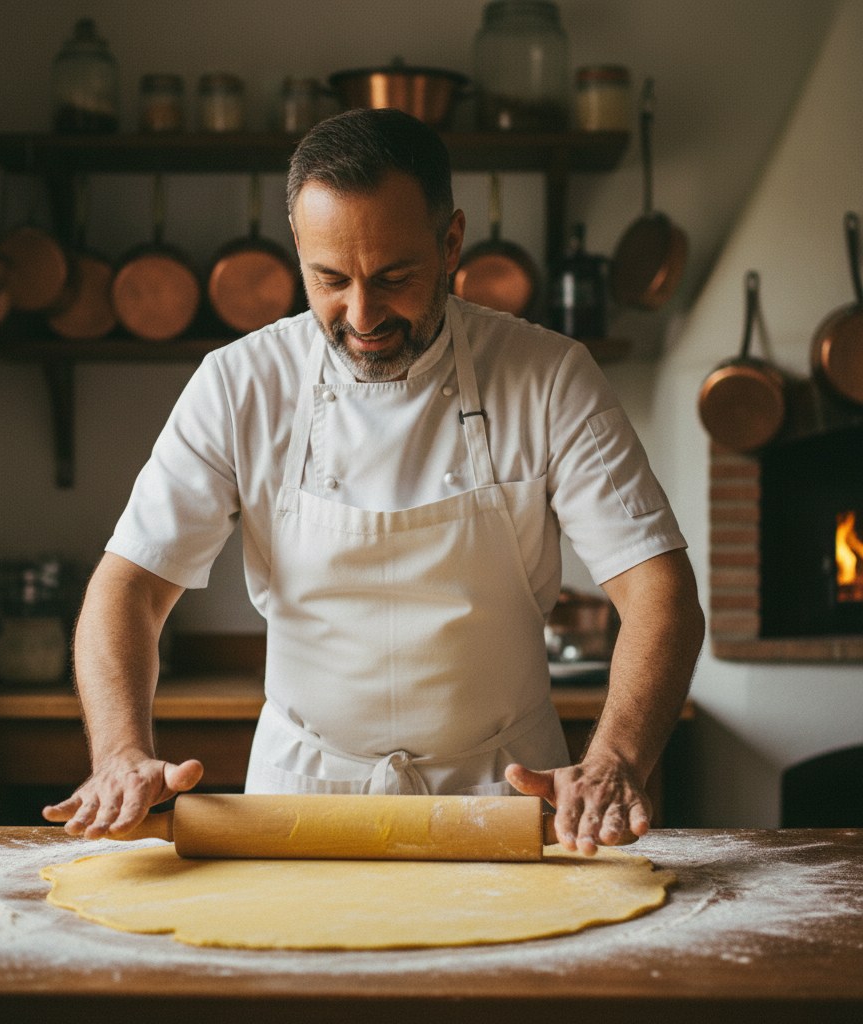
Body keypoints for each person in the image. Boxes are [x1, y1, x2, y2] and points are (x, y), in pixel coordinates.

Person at [43, 108, 704, 856]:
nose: (362, 315)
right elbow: (129, 587)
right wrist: (119, 751)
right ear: (298, 248)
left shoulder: (549, 377)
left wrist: (615, 759)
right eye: (330, 279)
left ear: (450, 243)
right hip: (300, 803)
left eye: (394, 277)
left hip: (506, 798)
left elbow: (660, 593)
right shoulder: (238, 385)